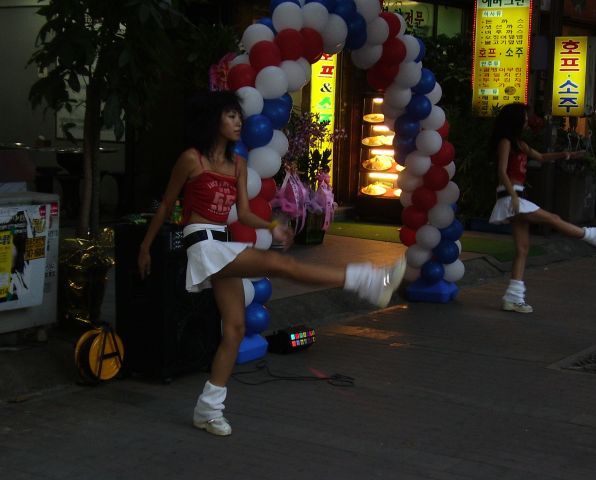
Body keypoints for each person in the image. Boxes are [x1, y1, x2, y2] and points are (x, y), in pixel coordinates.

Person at [137, 91, 406, 437]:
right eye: (231, 116)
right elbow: (166, 205)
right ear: (213, 120)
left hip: (221, 242)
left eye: (239, 117)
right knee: (281, 266)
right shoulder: (192, 159)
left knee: (233, 330)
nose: (238, 122)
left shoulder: (237, 165)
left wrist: (270, 225)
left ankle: (207, 410)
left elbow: (245, 213)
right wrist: (145, 247)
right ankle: (368, 280)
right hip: (201, 242)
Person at [488, 103, 596, 313]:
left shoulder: (520, 144)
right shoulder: (505, 142)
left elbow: (541, 157)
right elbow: (501, 171)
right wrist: (514, 197)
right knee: (553, 218)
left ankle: (513, 298)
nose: (527, 120)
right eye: (524, 117)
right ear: (515, 119)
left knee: (522, 250)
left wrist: (566, 154)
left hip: (515, 197)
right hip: (510, 196)